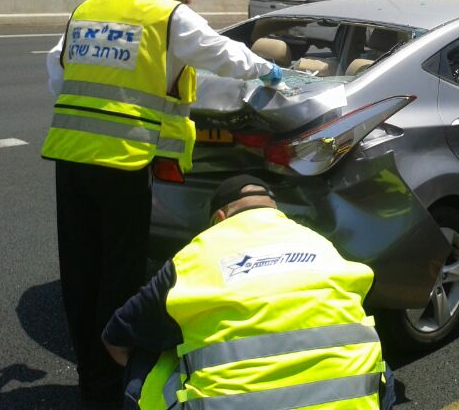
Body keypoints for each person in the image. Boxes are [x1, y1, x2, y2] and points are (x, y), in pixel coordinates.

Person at [41, 0, 283, 407]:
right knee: (119, 275)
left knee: (80, 272)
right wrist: (270, 71)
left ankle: (90, 377)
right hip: (123, 163)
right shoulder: (167, 14)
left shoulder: (90, 7)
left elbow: (58, 71)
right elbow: (224, 55)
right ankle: (113, 386)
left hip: (71, 158)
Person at [102, 174, 393, 410]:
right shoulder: (320, 244)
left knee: (143, 367)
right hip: (349, 403)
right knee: (380, 366)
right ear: (275, 212)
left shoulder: (195, 255)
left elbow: (116, 338)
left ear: (218, 218)